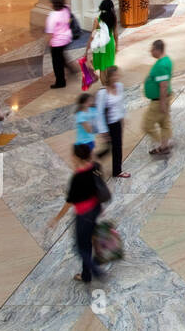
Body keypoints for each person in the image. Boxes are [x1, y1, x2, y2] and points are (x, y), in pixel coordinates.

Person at [48, 143, 104, 284]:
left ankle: (95, 270)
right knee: (88, 241)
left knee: (81, 249)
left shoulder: (77, 178)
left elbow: (69, 202)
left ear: (76, 157)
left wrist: (56, 219)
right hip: (95, 209)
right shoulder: (95, 167)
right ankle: (86, 275)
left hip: (84, 215)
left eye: (73, 155)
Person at [95, 67, 129, 178]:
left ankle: (116, 170)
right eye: (114, 75)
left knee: (115, 147)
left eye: (117, 75)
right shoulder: (103, 93)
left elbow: (121, 103)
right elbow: (99, 113)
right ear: (109, 77)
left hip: (117, 122)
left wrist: (122, 118)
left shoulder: (119, 86)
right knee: (113, 147)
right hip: (108, 124)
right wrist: (103, 131)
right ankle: (95, 162)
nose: (116, 77)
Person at [143, 39, 174, 156]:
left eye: (152, 49)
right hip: (163, 99)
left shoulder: (161, 65)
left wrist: (162, 103)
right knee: (164, 123)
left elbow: (163, 85)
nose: (150, 51)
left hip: (158, 101)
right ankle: (165, 145)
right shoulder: (166, 60)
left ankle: (162, 144)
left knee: (147, 125)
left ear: (157, 50)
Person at [45, 0, 79, 88]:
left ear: (54, 4)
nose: (49, 4)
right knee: (61, 56)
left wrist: (49, 43)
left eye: (50, 2)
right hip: (67, 38)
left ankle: (60, 82)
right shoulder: (66, 9)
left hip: (57, 42)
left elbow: (50, 33)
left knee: (57, 64)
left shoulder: (52, 16)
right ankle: (72, 69)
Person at [84, 0, 118, 77]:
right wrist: (117, 46)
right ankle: (107, 85)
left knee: (102, 68)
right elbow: (115, 33)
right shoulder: (114, 19)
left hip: (100, 45)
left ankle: (104, 86)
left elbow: (92, 36)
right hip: (109, 44)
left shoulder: (97, 20)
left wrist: (87, 50)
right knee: (108, 67)